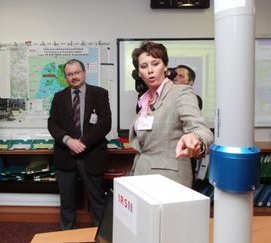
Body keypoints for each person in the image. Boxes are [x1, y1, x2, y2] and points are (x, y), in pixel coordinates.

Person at [129, 41, 213, 188]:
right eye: (144, 66)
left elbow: (202, 131)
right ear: (139, 73)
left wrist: (195, 138)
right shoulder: (144, 100)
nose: (150, 70)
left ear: (165, 66)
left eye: (155, 64)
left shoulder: (181, 92)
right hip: (141, 175)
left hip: (169, 180)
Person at [48, 59, 112, 230]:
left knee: (97, 200)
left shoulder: (100, 94)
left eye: (77, 72)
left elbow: (105, 124)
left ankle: (102, 235)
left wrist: (82, 143)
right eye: (69, 74)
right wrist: (69, 141)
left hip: (91, 156)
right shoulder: (58, 97)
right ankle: (66, 235)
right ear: (66, 77)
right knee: (67, 201)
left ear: (84, 73)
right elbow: (52, 124)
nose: (74, 77)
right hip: (65, 157)